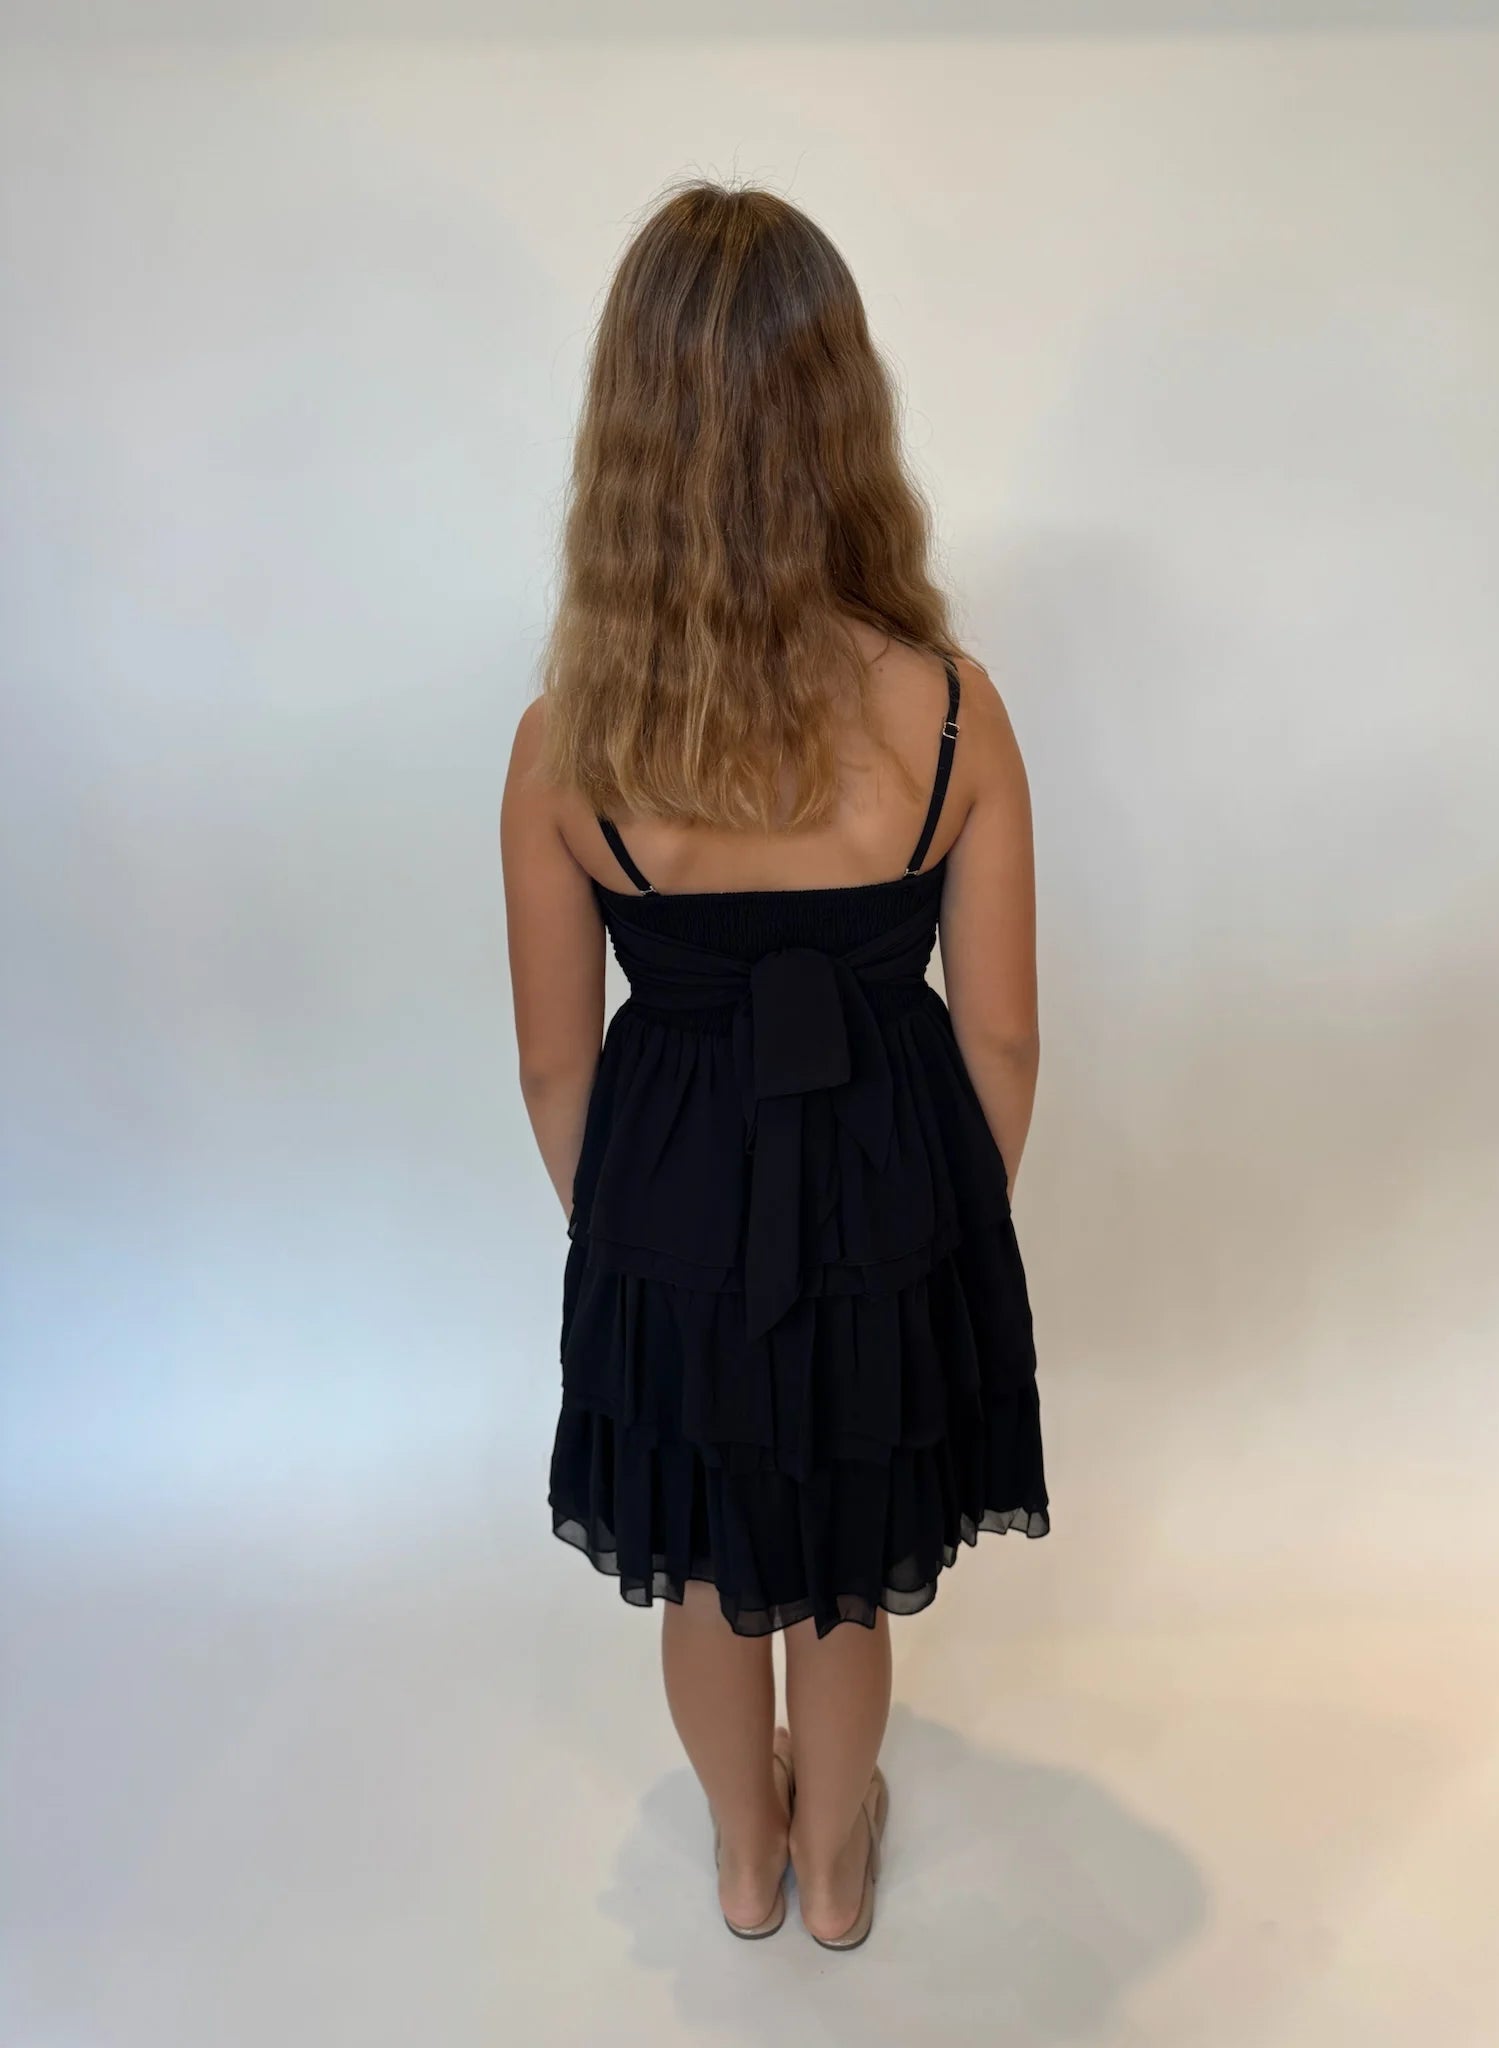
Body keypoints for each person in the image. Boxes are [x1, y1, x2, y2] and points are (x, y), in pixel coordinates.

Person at [499, 178, 1048, 1951]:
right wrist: (925, 1232)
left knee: (707, 1563)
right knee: (844, 1577)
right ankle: (835, 1866)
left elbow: (553, 1068)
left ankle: (745, 1853)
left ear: (631, 435)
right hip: (887, 1202)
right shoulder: (949, 707)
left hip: (671, 1205)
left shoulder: (567, 745)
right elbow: (1005, 1034)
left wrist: (645, 1244)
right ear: (844, 414)